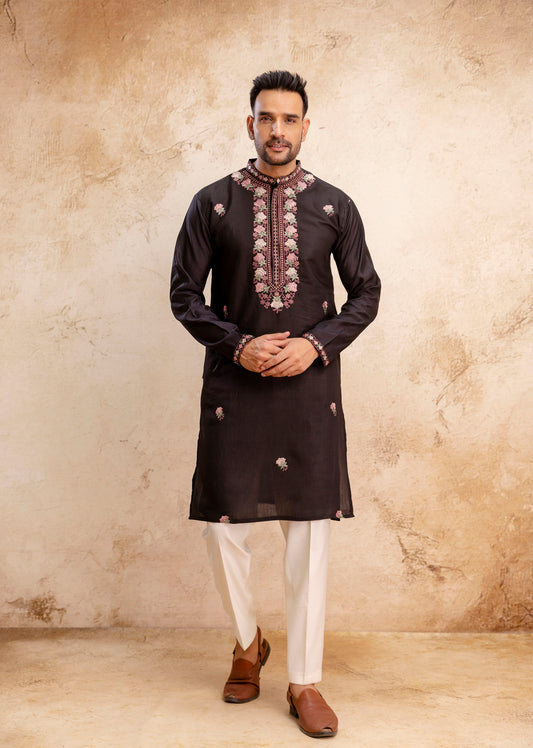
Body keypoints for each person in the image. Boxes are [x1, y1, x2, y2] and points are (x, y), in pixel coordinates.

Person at [170, 70, 380, 739]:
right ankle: (247, 642)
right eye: (267, 118)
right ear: (250, 124)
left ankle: (304, 681)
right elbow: (183, 295)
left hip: (308, 390)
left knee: (309, 534)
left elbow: (367, 293)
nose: (278, 130)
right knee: (222, 529)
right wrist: (237, 345)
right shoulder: (212, 204)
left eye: (290, 119)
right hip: (235, 387)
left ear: (305, 127)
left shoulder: (335, 206)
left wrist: (316, 346)